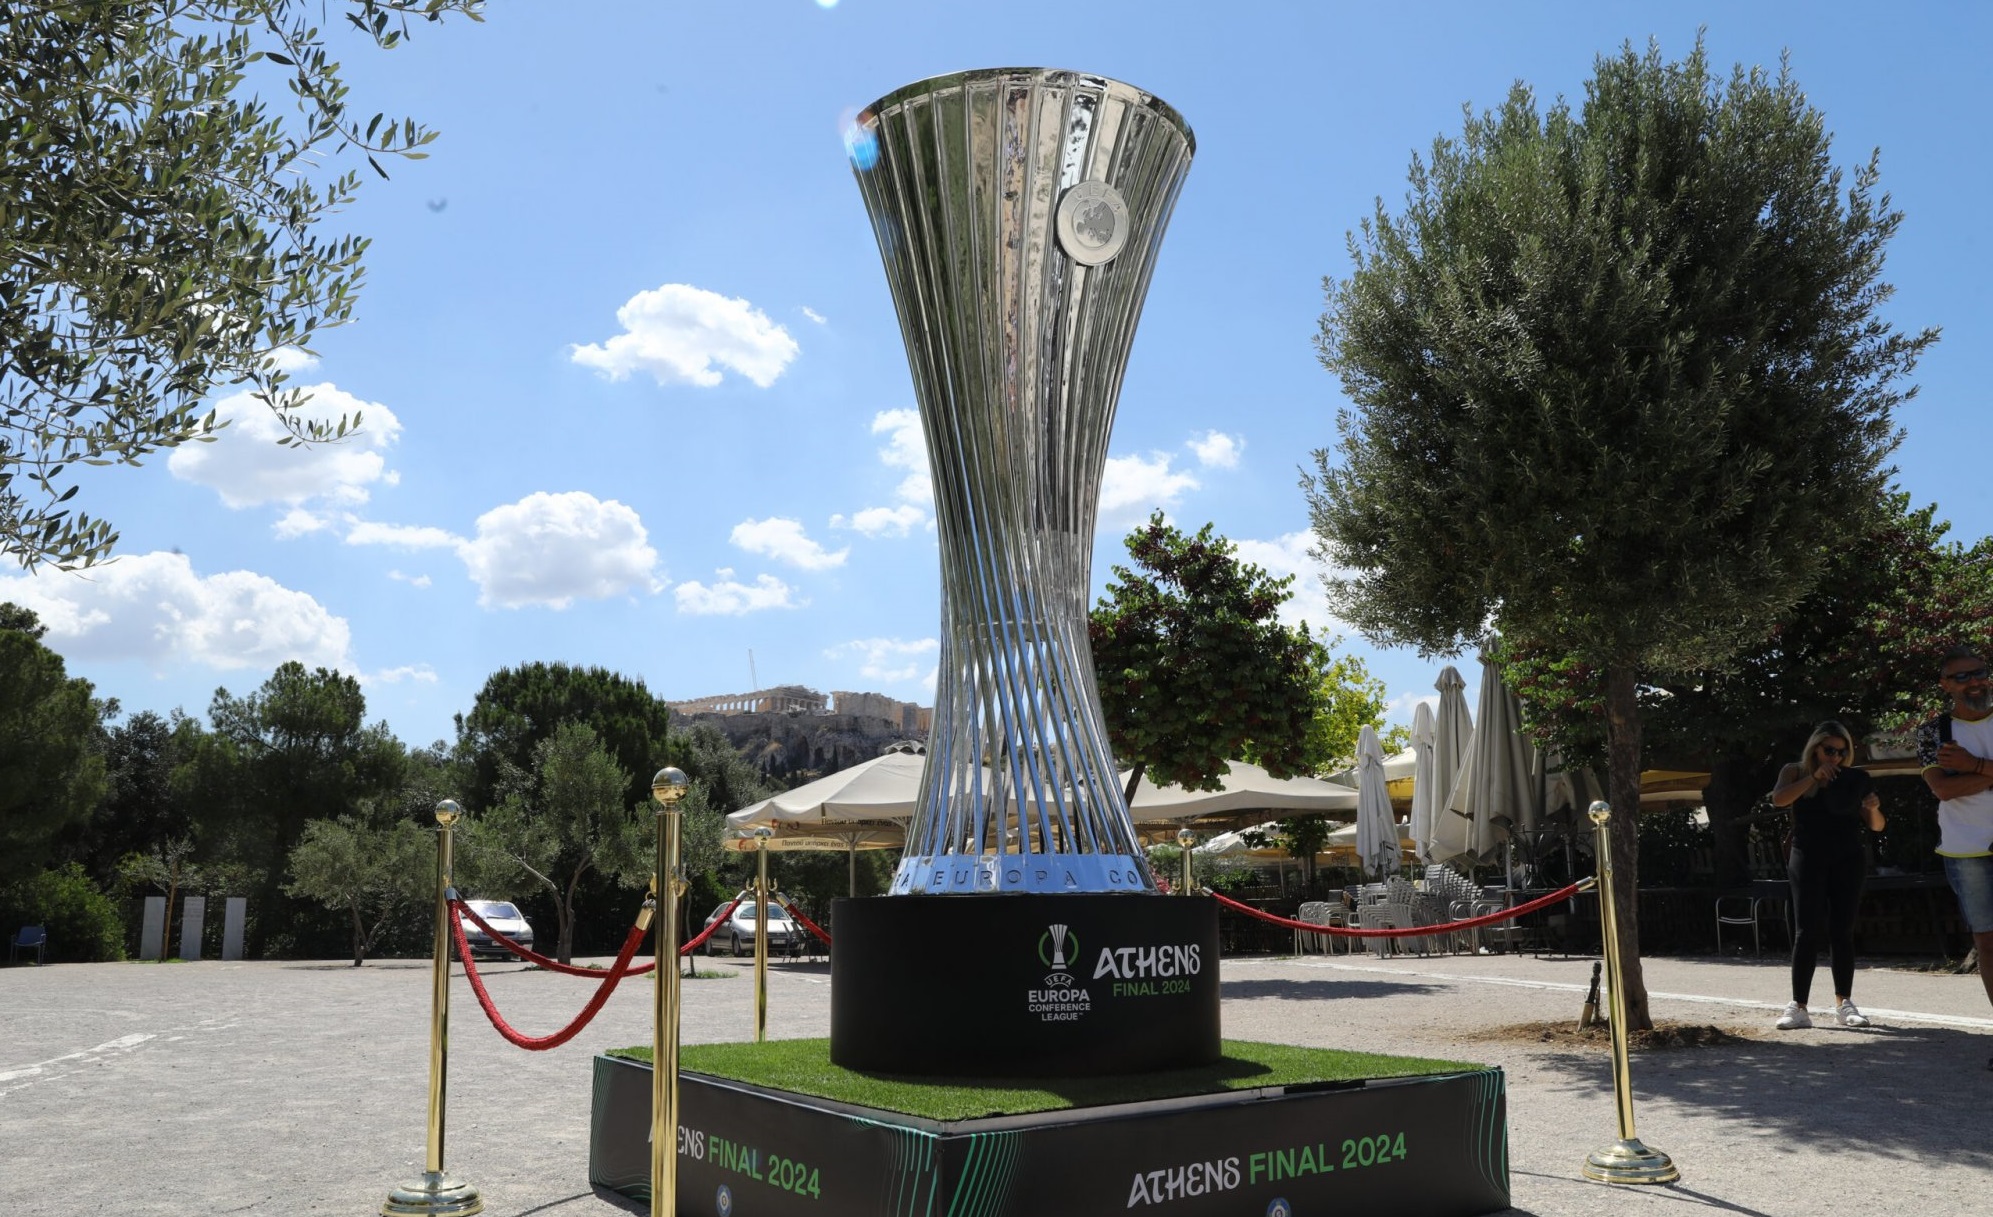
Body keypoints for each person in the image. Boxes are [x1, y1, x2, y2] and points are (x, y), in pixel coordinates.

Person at [1769, 720, 1884, 1029]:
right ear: (1815, 748)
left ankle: (1844, 1003)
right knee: (1806, 930)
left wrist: (1873, 808)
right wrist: (1814, 777)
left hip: (1848, 856)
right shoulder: (1795, 771)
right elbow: (1779, 799)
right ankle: (1798, 1007)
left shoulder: (1855, 778)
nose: (1835, 757)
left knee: (1842, 930)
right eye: (1829, 750)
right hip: (1807, 854)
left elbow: (1876, 826)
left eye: (1842, 751)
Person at [1917, 645, 1993, 1066]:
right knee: (1988, 943)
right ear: (1946, 685)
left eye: (1979, 672)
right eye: (1962, 677)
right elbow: (1943, 789)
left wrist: (1973, 766)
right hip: (1967, 850)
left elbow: (1958, 780)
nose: (1974, 682)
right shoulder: (1934, 732)